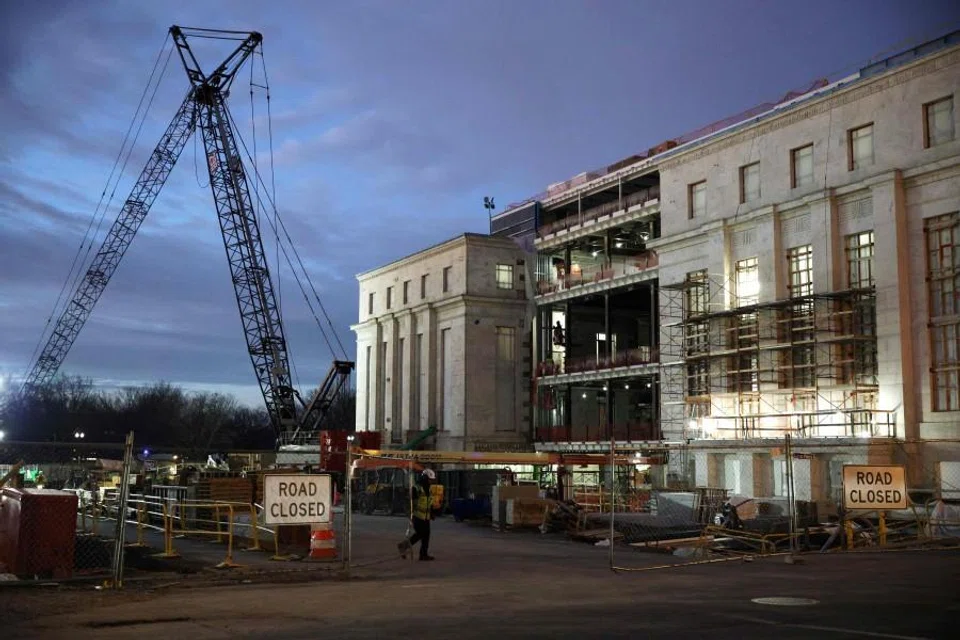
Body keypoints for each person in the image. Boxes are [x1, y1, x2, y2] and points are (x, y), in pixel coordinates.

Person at [398, 468, 436, 561]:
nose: (431, 481)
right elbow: (410, 503)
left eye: (432, 480)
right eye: (429, 479)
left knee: (426, 535)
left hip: (426, 517)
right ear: (425, 478)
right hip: (417, 516)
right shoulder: (416, 488)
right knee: (420, 534)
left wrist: (431, 513)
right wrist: (410, 515)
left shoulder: (428, 489)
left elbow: (429, 502)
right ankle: (403, 546)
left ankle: (423, 555)